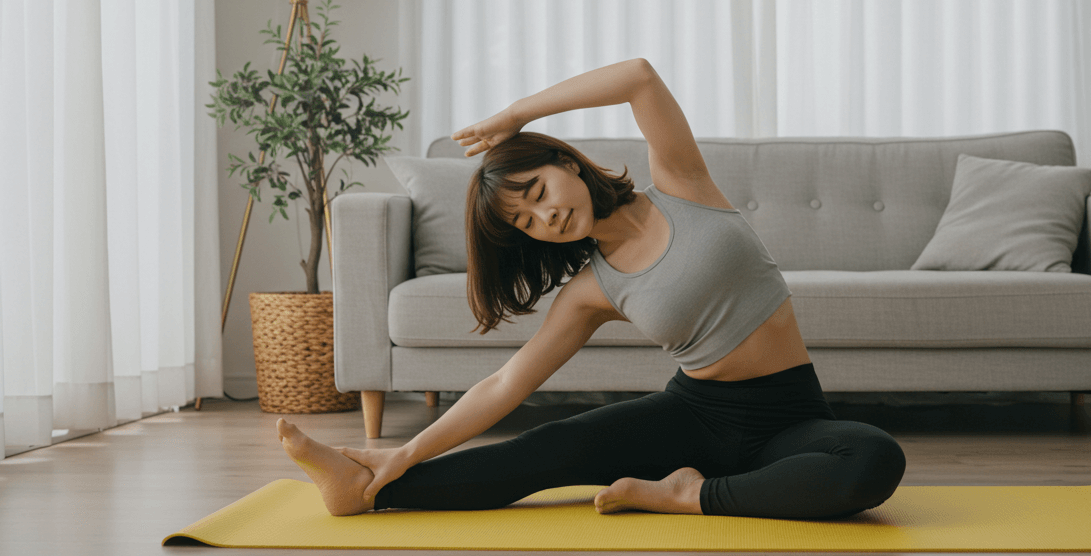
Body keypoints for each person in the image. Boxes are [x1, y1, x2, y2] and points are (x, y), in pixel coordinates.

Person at [275, 58, 906, 519]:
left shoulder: (684, 187)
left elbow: (638, 76)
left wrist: (518, 114)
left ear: (569, 164)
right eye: (526, 222)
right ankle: (367, 487)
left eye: (541, 193)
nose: (545, 218)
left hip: (790, 417)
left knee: (873, 460)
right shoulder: (589, 290)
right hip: (693, 417)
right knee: (543, 450)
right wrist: (406, 451)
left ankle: (690, 497)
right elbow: (506, 384)